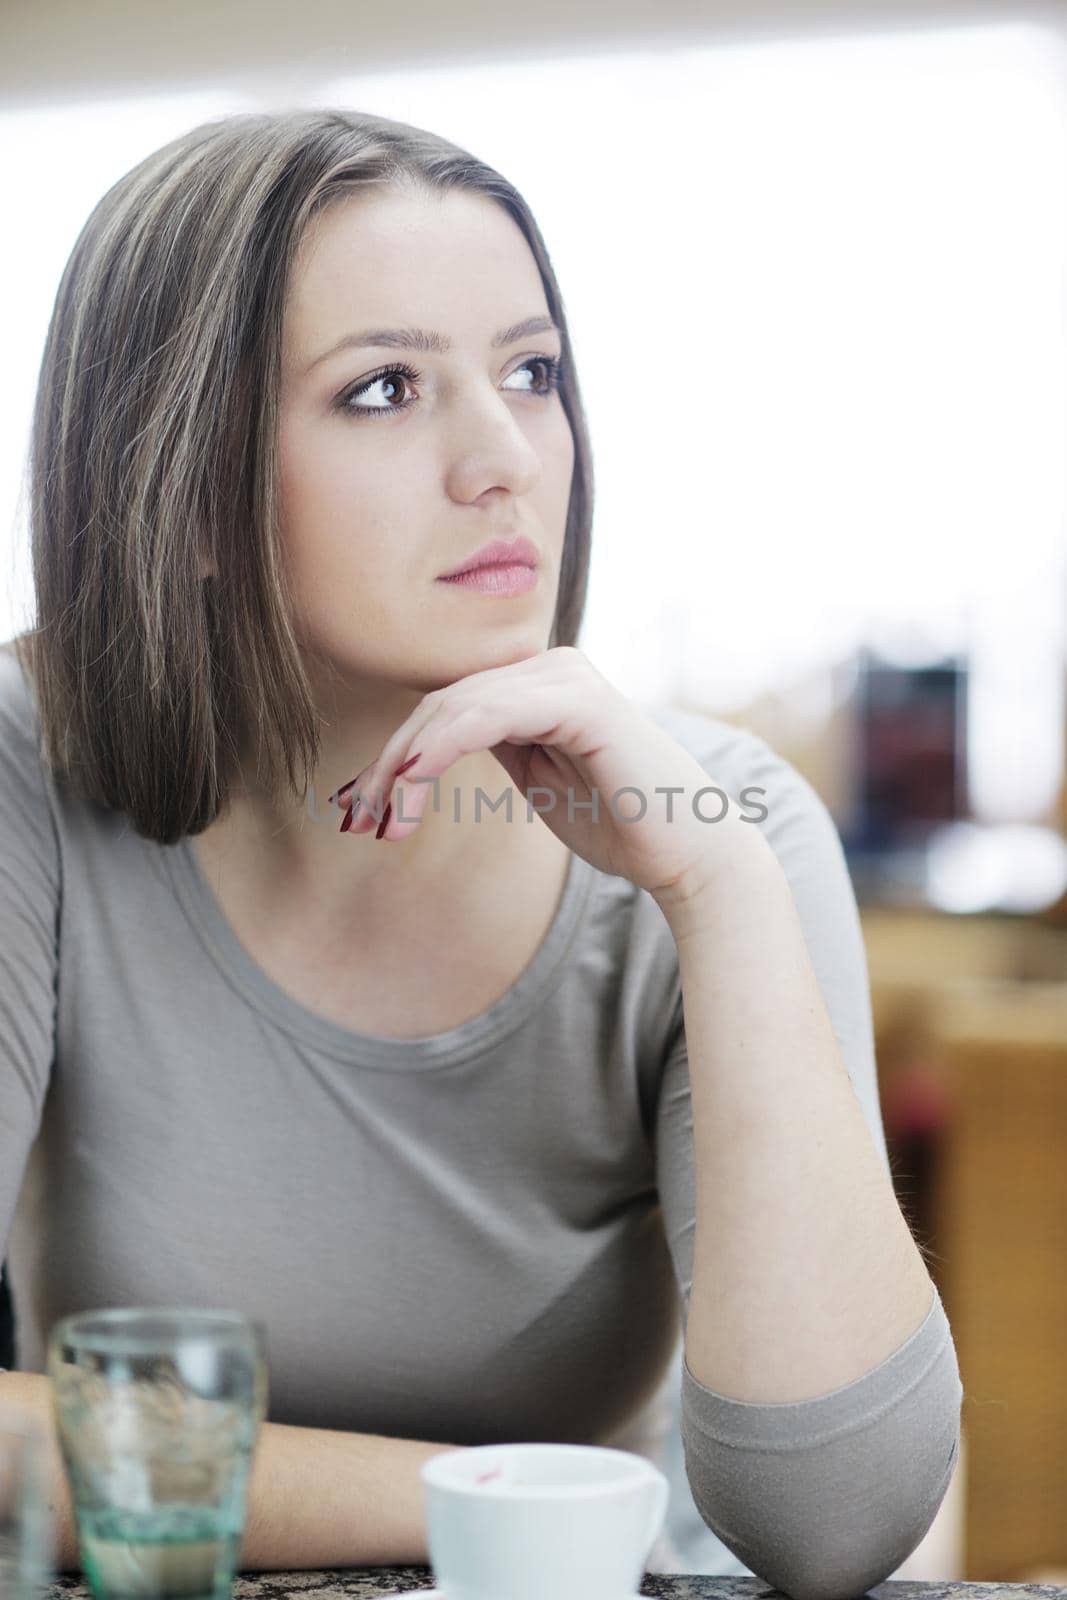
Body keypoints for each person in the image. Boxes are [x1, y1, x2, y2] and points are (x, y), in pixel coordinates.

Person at [0, 107, 962, 1596]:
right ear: (180, 482)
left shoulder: (724, 819)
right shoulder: (26, 761)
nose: (506, 458)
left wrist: (715, 893)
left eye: (533, 373)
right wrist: (504, 1496)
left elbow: (839, 1531)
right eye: (385, 388)